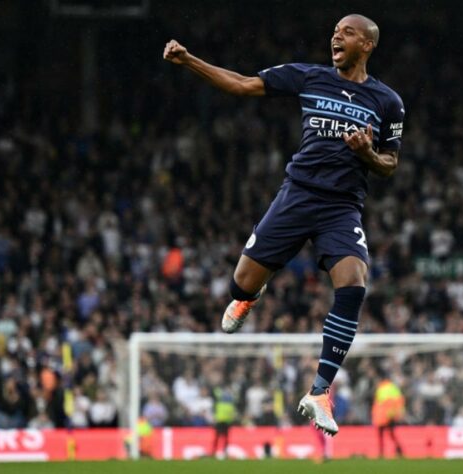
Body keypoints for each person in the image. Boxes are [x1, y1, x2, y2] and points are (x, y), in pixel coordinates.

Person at [164, 13, 405, 436]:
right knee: (241, 282)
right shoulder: (309, 77)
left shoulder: (388, 102)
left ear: (367, 44)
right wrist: (189, 61)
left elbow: (389, 164)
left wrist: (367, 152)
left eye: (346, 32)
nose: (336, 36)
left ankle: (319, 391)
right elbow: (241, 84)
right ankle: (248, 296)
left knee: (354, 283)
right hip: (297, 195)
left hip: (341, 207)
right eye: (334, 30)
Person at [371, 375, 405, 457]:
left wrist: (375, 416)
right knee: (391, 434)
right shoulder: (393, 388)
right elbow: (399, 401)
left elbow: (378, 404)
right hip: (390, 415)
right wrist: (398, 413)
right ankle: (399, 450)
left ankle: (381, 452)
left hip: (382, 417)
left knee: (381, 435)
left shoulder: (381, 389)